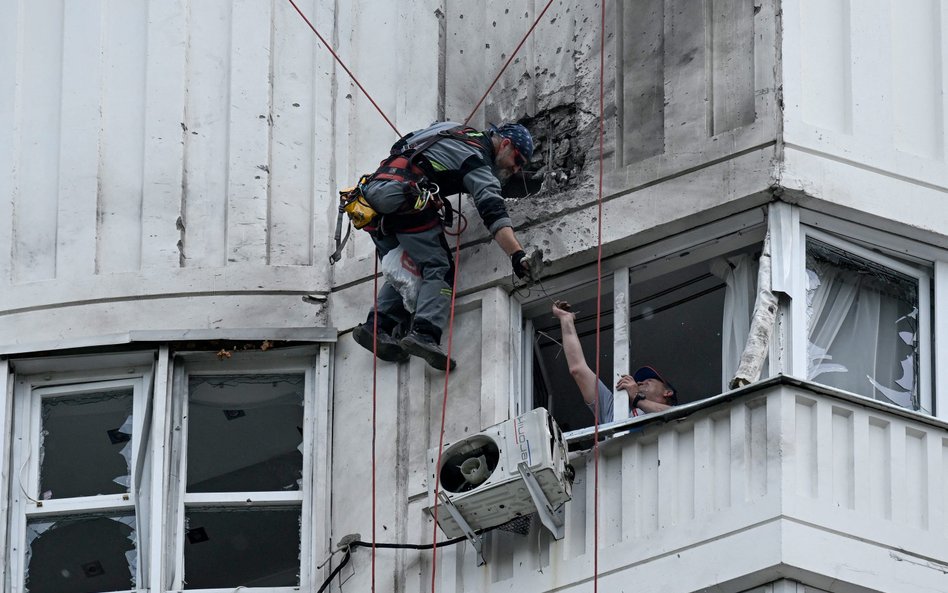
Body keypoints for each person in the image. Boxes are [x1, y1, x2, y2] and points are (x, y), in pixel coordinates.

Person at [351, 122, 536, 371]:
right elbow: (493, 212)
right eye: (518, 159)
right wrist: (517, 255)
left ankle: (376, 327)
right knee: (439, 267)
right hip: (405, 197)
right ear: (505, 143)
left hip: (371, 197)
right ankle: (424, 334)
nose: (516, 168)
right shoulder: (476, 160)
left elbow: (402, 143)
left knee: (410, 265)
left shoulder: (452, 129)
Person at [551, 301, 677, 422]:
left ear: (668, 392)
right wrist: (565, 319)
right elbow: (578, 369)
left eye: (648, 380)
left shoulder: (679, 419)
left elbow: (674, 414)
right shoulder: (616, 412)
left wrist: (637, 398)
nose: (639, 382)